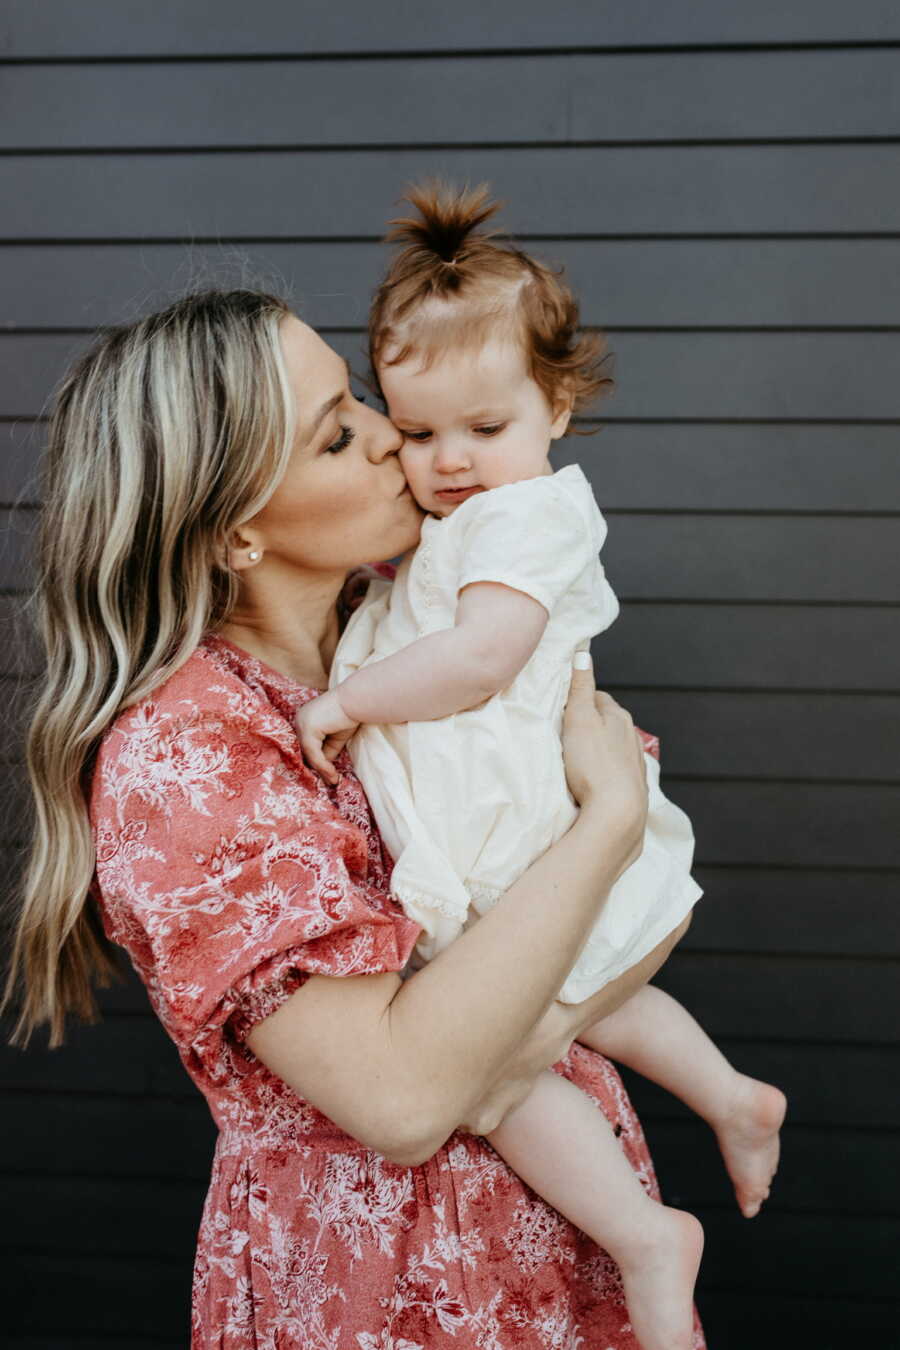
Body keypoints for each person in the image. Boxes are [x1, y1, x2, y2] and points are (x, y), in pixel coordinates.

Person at [3, 286, 705, 1349]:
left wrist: (606, 861)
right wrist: (604, 825)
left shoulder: (417, 631)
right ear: (236, 528)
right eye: (341, 434)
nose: (397, 442)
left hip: (570, 1245)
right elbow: (406, 1098)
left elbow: (646, 912)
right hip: (391, 1293)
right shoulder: (188, 753)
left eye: (364, 401)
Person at [293, 182, 786, 1350]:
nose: (449, 461)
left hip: (508, 820)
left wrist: (351, 697)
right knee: (579, 1020)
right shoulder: (459, 520)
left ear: (556, 407)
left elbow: (480, 658)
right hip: (492, 819)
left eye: (484, 428)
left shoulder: (532, 520)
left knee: (504, 1074)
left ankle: (647, 1233)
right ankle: (725, 1100)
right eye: (417, 434)